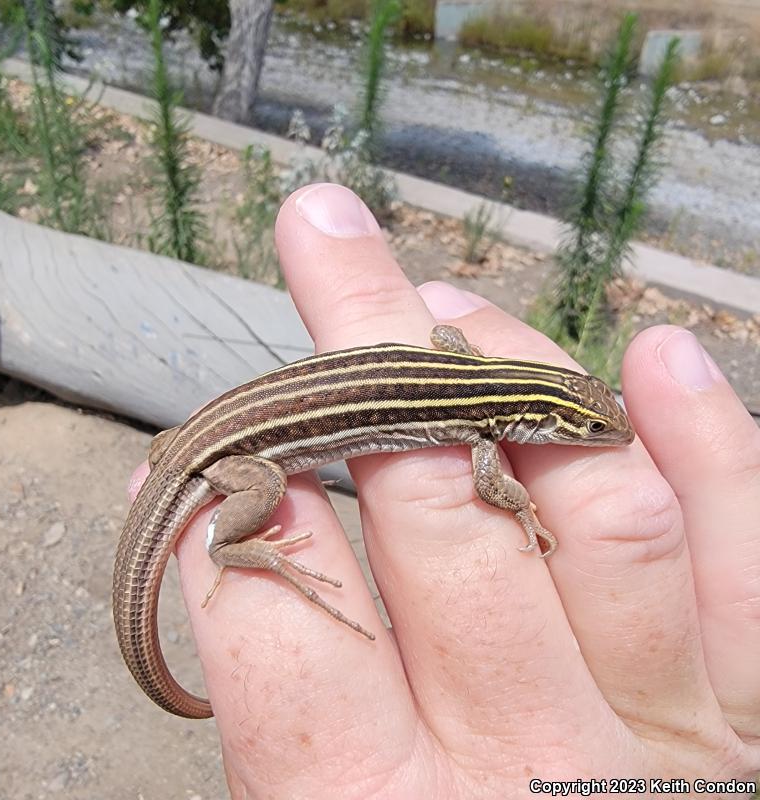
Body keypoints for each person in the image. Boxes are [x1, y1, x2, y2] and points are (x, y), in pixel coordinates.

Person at [128, 183, 760, 798]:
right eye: (593, 429)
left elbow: (447, 340)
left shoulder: (471, 367)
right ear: (540, 420)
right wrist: (524, 506)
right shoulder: (484, 426)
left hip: (196, 435)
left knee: (193, 462)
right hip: (228, 456)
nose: (608, 436)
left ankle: (185, 486)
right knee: (266, 485)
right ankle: (229, 548)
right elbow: (491, 487)